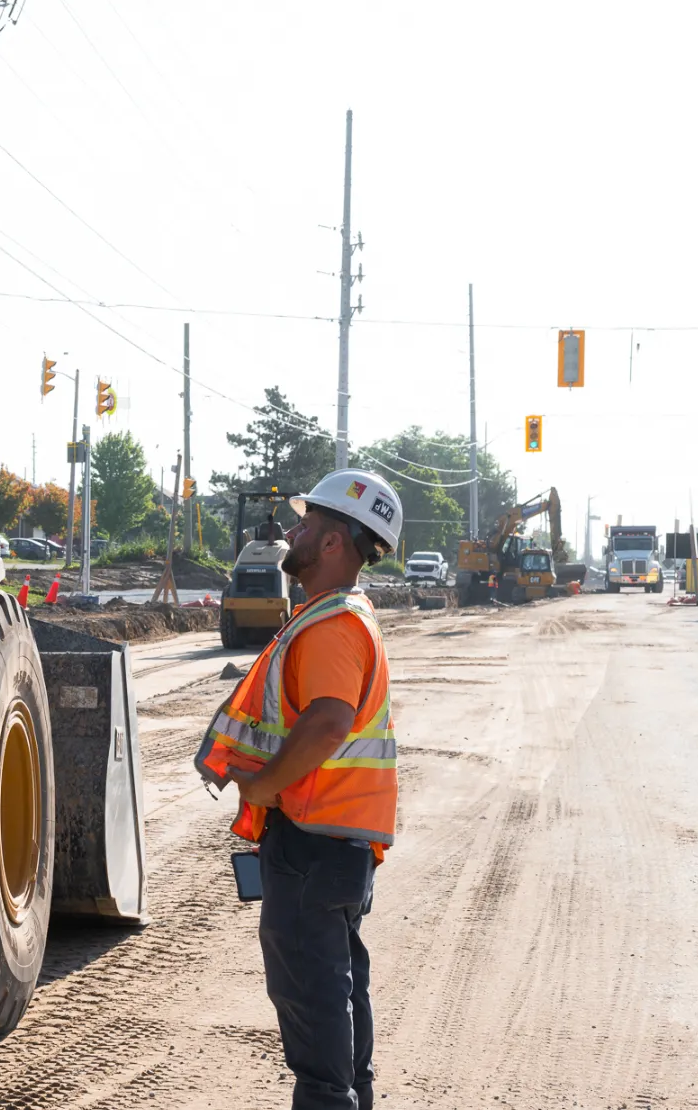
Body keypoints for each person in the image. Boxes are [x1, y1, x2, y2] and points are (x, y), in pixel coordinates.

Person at [193, 468, 403, 1110]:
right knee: (336, 985)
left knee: (310, 995)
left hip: (313, 841)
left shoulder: (333, 625)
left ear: (335, 542)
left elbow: (329, 721)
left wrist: (261, 787)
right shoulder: (331, 618)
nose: (292, 531)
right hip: (334, 842)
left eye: (306, 523)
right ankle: (351, 1097)